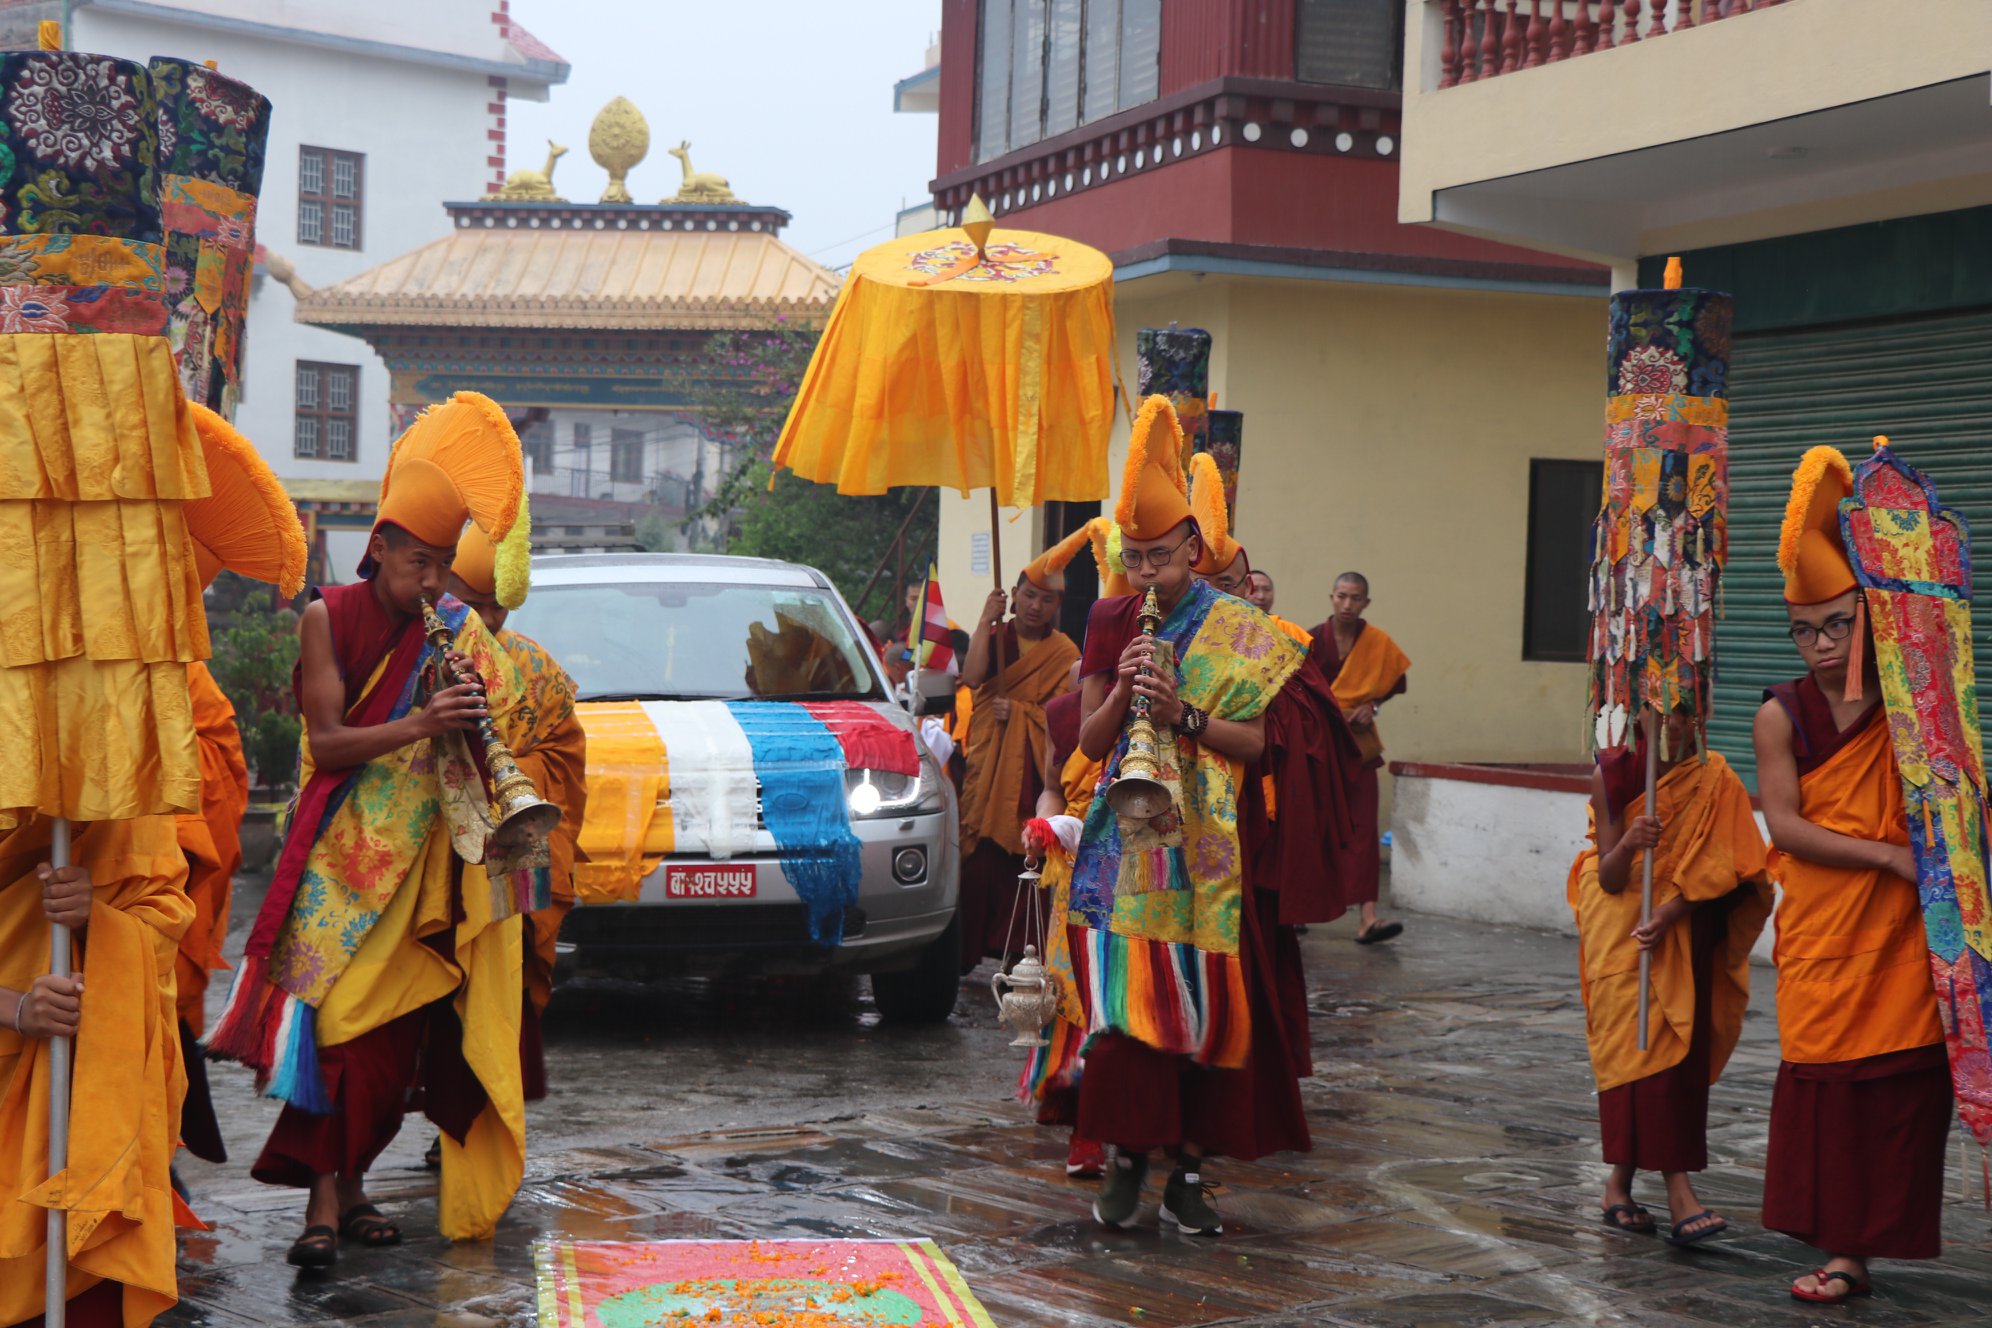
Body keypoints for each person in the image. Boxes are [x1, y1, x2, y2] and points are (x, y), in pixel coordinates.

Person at [207, 393, 538, 1266]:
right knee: (341, 1029)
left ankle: (348, 1192)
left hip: (427, 867)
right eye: (417, 564)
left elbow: (511, 706)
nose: (430, 584)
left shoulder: (455, 625)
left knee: (393, 1049)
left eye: (442, 569)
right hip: (343, 864)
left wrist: (473, 701)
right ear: (379, 548)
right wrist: (422, 724)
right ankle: (323, 1199)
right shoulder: (331, 617)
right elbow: (326, 742)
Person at [1071, 398, 1347, 1238]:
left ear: (1194, 547)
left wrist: (1185, 714)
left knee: (1208, 1008)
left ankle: (1189, 1170)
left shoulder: (1241, 630)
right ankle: (1125, 1156)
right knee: (1129, 1009)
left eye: (1163, 555)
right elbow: (1082, 743)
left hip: (1209, 845)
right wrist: (1126, 688)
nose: (1148, 571)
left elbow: (1259, 745)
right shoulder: (1111, 616)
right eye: (1137, 557)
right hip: (1127, 841)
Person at [1753, 447, 1953, 1305]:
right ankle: (1841, 1252)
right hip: (1830, 932)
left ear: (1867, 618)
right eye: (1806, 630)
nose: (1824, 645)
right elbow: (1789, 827)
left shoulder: (1911, 704)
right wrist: (1886, 857)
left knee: (1899, 1093)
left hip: (1907, 936)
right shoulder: (1779, 713)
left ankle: (1869, 1246)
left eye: (1839, 624)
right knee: (1830, 1093)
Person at [1567, 711, 1771, 1245]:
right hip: (1622, 929)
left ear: (1701, 713)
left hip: (1682, 925)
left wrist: (1673, 912)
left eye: (1683, 712)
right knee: (1631, 1059)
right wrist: (1632, 840)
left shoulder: (1716, 778)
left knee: (1675, 1060)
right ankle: (1680, 1195)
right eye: (1657, 713)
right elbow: (1609, 878)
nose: (1672, 725)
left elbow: (1735, 873)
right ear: (1636, 715)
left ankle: (1619, 1186)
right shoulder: (1611, 772)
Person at [446, 522, 589, 1107]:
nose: (488, 621)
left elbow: (568, 758)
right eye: (473, 605)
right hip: (448, 846)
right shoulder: (431, 653)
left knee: (508, 978)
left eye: (498, 607)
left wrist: (519, 775)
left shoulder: (536, 666)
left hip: (520, 845)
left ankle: (487, 1109)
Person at [954, 531, 1088, 971]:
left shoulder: (1064, 651)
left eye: (1046, 600)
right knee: (977, 861)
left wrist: (1027, 712)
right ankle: (962, 951)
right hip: (989, 760)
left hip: (1031, 771)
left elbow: (1066, 714)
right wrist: (983, 621)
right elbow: (972, 678)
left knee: (1025, 859)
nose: (1035, 606)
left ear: (1056, 607)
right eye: (1028, 595)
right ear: (1013, 595)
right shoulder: (998, 637)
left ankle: (1022, 957)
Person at [1314, 573, 1410, 944]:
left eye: (1356, 598)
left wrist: (1372, 705)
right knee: (1309, 826)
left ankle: (1368, 917)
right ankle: (1296, 913)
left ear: (1366, 603)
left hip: (1357, 748)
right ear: (1332, 597)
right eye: (1342, 596)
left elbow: (1393, 684)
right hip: (1318, 746)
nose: (1348, 604)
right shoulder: (1310, 640)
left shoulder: (1377, 643)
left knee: (1363, 830)